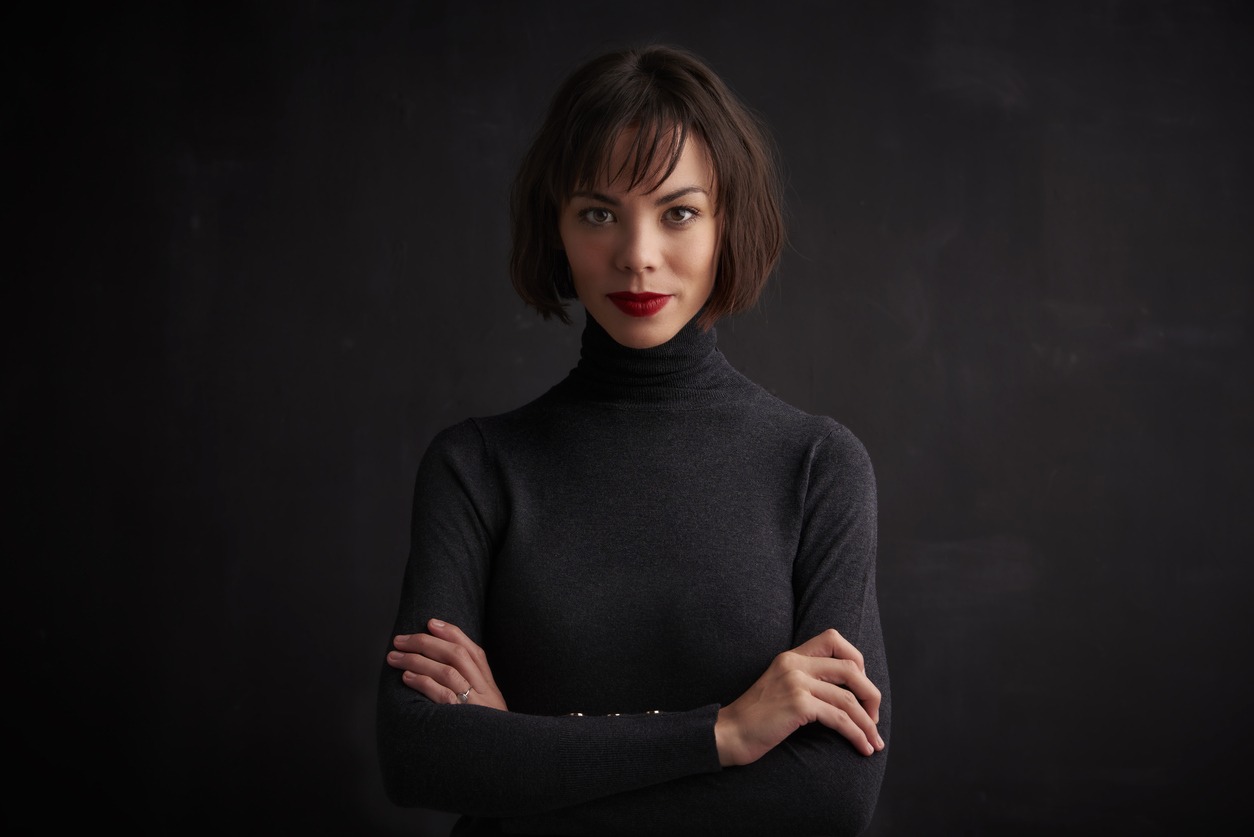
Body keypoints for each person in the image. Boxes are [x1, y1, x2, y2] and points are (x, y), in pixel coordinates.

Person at [377, 43, 890, 836]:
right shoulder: (475, 467)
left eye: (678, 212)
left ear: (727, 223)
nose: (637, 256)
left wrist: (515, 764)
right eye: (598, 213)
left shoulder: (817, 466)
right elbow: (417, 757)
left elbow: (831, 795)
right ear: (556, 226)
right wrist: (721, 734)